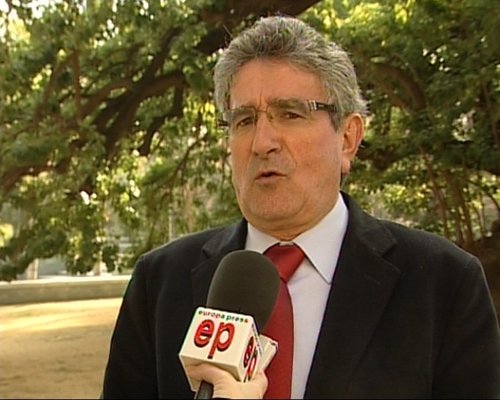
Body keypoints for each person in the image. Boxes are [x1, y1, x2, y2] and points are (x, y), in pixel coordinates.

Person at [101, 15, 500, 399]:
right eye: (244, 120)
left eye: (290, 114)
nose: (262, 143)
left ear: (348, 138)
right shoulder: (159, 282)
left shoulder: (444, 283)